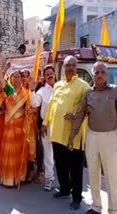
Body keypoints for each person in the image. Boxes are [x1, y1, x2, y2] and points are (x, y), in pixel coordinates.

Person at [42, 55, 90, 210]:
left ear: (76, 68)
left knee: (75, 167)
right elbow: (51, 106)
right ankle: (64, 189)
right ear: (63, 68)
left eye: (72, 65)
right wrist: (45, 123)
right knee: (60, 164)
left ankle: (77, 197)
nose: (69, 68)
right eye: (67, 65)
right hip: (56, 133)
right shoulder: (58, 85)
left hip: (73, 136)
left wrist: (75, 116)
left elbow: (86, 109)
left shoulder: (83, 86)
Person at [69, 62, 117, 214]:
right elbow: (80, 115)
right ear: (93, 74)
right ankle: (96, 206)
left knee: (111, 175)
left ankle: (113, 208)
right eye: (97, 72)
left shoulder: (114, 91)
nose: (100, 75)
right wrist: (72, 136)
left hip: (110, 136)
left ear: (106, 74)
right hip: (92, 136)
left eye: (102, 72)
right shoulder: (88, 93)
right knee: (93, 172)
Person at [0, 58, 30, 187]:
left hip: (20, 128)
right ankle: (8, 179)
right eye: (14, 77)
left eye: (18, 76)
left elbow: (29, 109)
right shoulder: (9, 91)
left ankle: (18, 178)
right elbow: (0, 79)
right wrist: (0, 66)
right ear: (11, 80)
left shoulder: (27, 93)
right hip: (8, 128)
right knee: (8, 153)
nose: (16, 79)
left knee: (18, 154)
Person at [29, 65, 56, 191]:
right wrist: (31, 90)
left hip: (62, 126)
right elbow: (34, 103)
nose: (50, 75)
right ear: (44, 78)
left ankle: (66, 183)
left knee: (63, 154)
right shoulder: (42, 91)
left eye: (51, 73)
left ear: (55, 74)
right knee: (48, 154)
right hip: (47, 126)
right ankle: (49, 178)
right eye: (47, 74)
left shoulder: (62, 87)